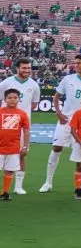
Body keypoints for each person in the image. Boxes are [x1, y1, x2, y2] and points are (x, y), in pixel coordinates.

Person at [41, 54, 81, 193]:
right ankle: (48, 182)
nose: (76, 65)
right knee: (56, 148)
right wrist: (58, 112)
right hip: (66, 120)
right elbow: (56, 97)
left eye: (79, 63)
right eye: (75, 63)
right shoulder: (68, 79)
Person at [0, 58, 39, 195]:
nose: (27, 70)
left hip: (22, 126)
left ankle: (18, 186)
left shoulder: (34, 85)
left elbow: (33, 105)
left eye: (29, 68)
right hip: (4, 125)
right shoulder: (6, 83)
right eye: (24, 68)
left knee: (21, 154)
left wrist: (21, 117)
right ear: (17, 68)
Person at [0, 88, 30, 201]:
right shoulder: (1, 112)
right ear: (5, 99)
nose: (12, 100)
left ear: (19, 99)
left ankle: (5, 192)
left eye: (15, 98)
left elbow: (26, 131)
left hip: (13, 148)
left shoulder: (22, 114)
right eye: (10, 98)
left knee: (9, 170)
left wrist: (25, 146)